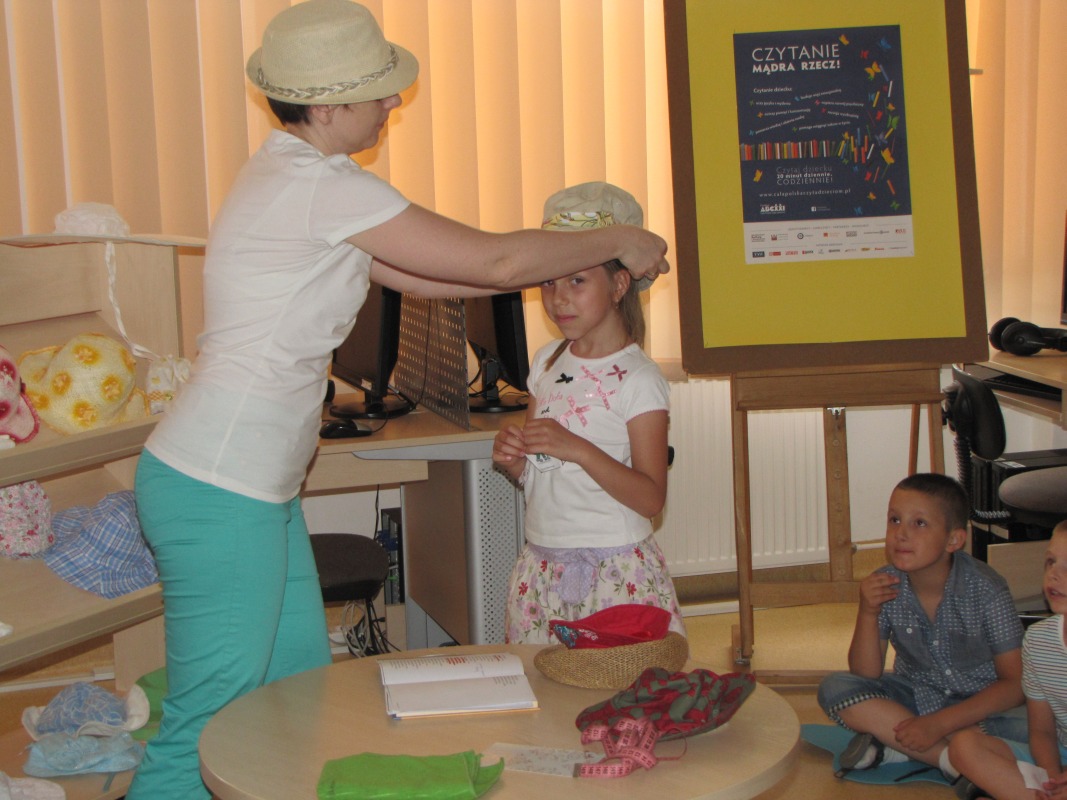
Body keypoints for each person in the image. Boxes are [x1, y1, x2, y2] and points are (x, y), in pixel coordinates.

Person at [127, 2, 670, 797]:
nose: (393, 100)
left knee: (290, 696)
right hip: (218, 486)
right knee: (207, 722)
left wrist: (563, 260)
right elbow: (493, 263)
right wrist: (616, 240)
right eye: (378, 89)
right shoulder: (315, 187)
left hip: (250, 488)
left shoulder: (311, 182)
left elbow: (436, 276)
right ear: (325, 106)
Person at [492, 181, 685, 645]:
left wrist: (578, 449)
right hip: (542, 565)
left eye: (576, 280)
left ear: (619, 284)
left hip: (614, 572)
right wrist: (518, 462)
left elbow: (650, 499)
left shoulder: (639, 380)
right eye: (549, 280)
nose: (558, 297)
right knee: (542, 681)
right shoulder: (547, 362)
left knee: (617, 683)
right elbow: (541, 472)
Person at [817, 473, 1027, 783]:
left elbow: (1015, 683)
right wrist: (868, 612)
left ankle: (898, 745)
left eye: (919, 523)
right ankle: (949, 760)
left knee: (1036, 723)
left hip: (980, 707)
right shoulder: (885, 583)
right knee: (835, 687)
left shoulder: (986, 589)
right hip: (916, 698)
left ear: (954, 540)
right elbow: (866, 673)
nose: (901, 534)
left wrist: (940, 723)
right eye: (894, 520)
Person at [948, 520, 1067, 800]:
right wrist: (1049, 778)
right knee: (964, 746)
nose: (1054, 575)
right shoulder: (1038, 640)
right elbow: (1041, 731)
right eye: (1051, 562)